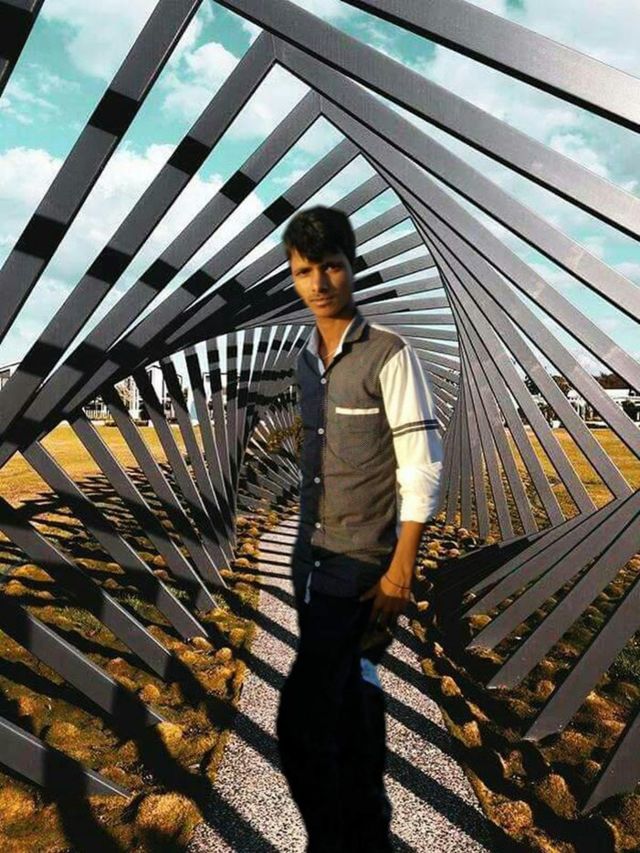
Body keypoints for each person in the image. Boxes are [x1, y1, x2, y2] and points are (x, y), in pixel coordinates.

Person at [275, 205, 443, 852]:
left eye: (331, 266)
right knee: (350, 689)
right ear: (293, 277)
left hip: (361, 561)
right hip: (312, 553)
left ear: (353, 268)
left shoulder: (389, 355)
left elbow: (421, 463)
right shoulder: (306, 361)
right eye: (304, 271)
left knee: (301, 721)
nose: (319, 283)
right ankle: (369, 830)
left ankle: (331, 839)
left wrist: (401, 569)